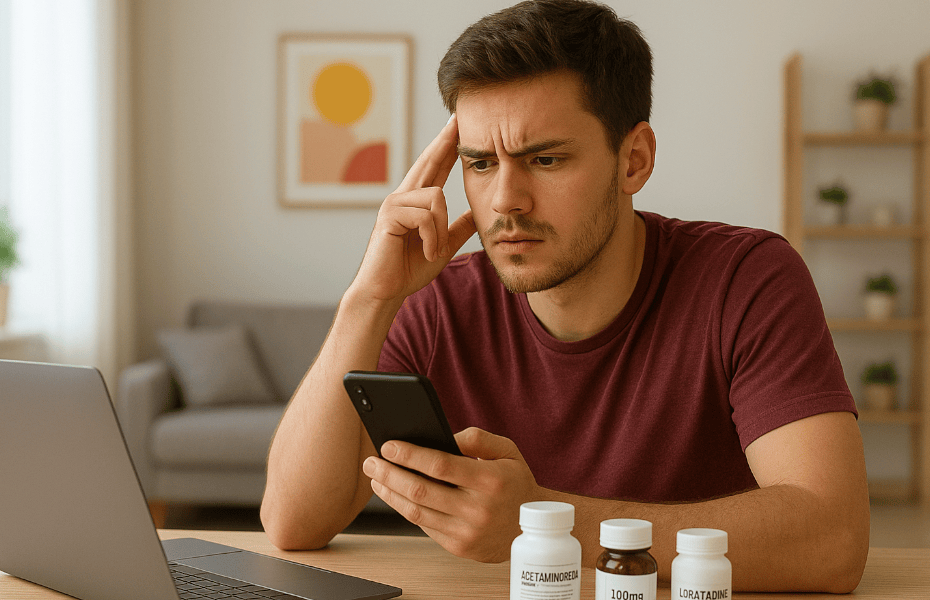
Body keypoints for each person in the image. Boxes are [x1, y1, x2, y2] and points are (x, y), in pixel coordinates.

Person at [261, 0, 869, 592]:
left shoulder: (746, 279)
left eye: (544, 159)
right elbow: (291, 523)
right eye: (479, 163)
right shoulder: (435, 304)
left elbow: (832, 539)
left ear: (633, 160)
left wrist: (541, 523)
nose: (504, 200)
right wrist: (367, 299)